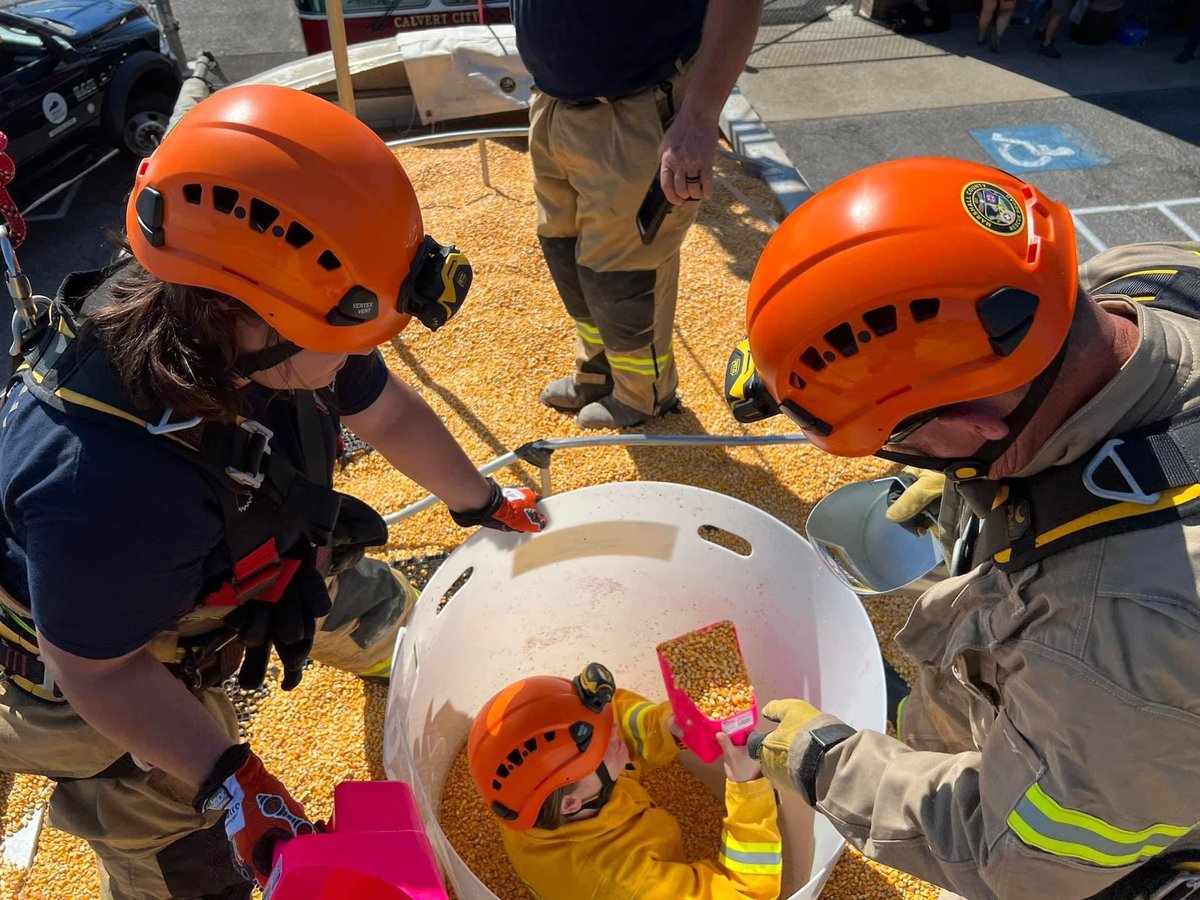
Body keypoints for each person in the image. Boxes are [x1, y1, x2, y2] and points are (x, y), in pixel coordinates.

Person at [0, 84, 546, 899]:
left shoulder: (280, 311)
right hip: (89, 665)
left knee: (368, 607)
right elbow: (100, 674)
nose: (360, 354)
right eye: (348, 340)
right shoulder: (106, 485)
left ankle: (399, 657)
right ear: (245, 319)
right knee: (170, 831)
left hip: (237, 555)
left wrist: (477, 501)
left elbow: (384, 406)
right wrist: (232, 778)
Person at [729, 156, 1200, 899]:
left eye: (898, 442)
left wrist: (828, 762)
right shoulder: (1148, 280)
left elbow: (1016, 858)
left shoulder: (1111, 638)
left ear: (972, 420)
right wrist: (982, 473)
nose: (903, 460)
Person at [514, 0, 765, 429]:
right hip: (553, 101)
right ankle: (597, 371)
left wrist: (700, 117)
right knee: (564, 249)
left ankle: (643, 396)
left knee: (621, 273)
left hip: (637, 105)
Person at [467, 662, 783, 899]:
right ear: (571, 803)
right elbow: (748, 895)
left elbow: (612, 712)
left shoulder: (523, 794)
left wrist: (667, 725)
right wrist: (747, 786)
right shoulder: (628, 882)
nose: (614, 730)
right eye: (602, 746)